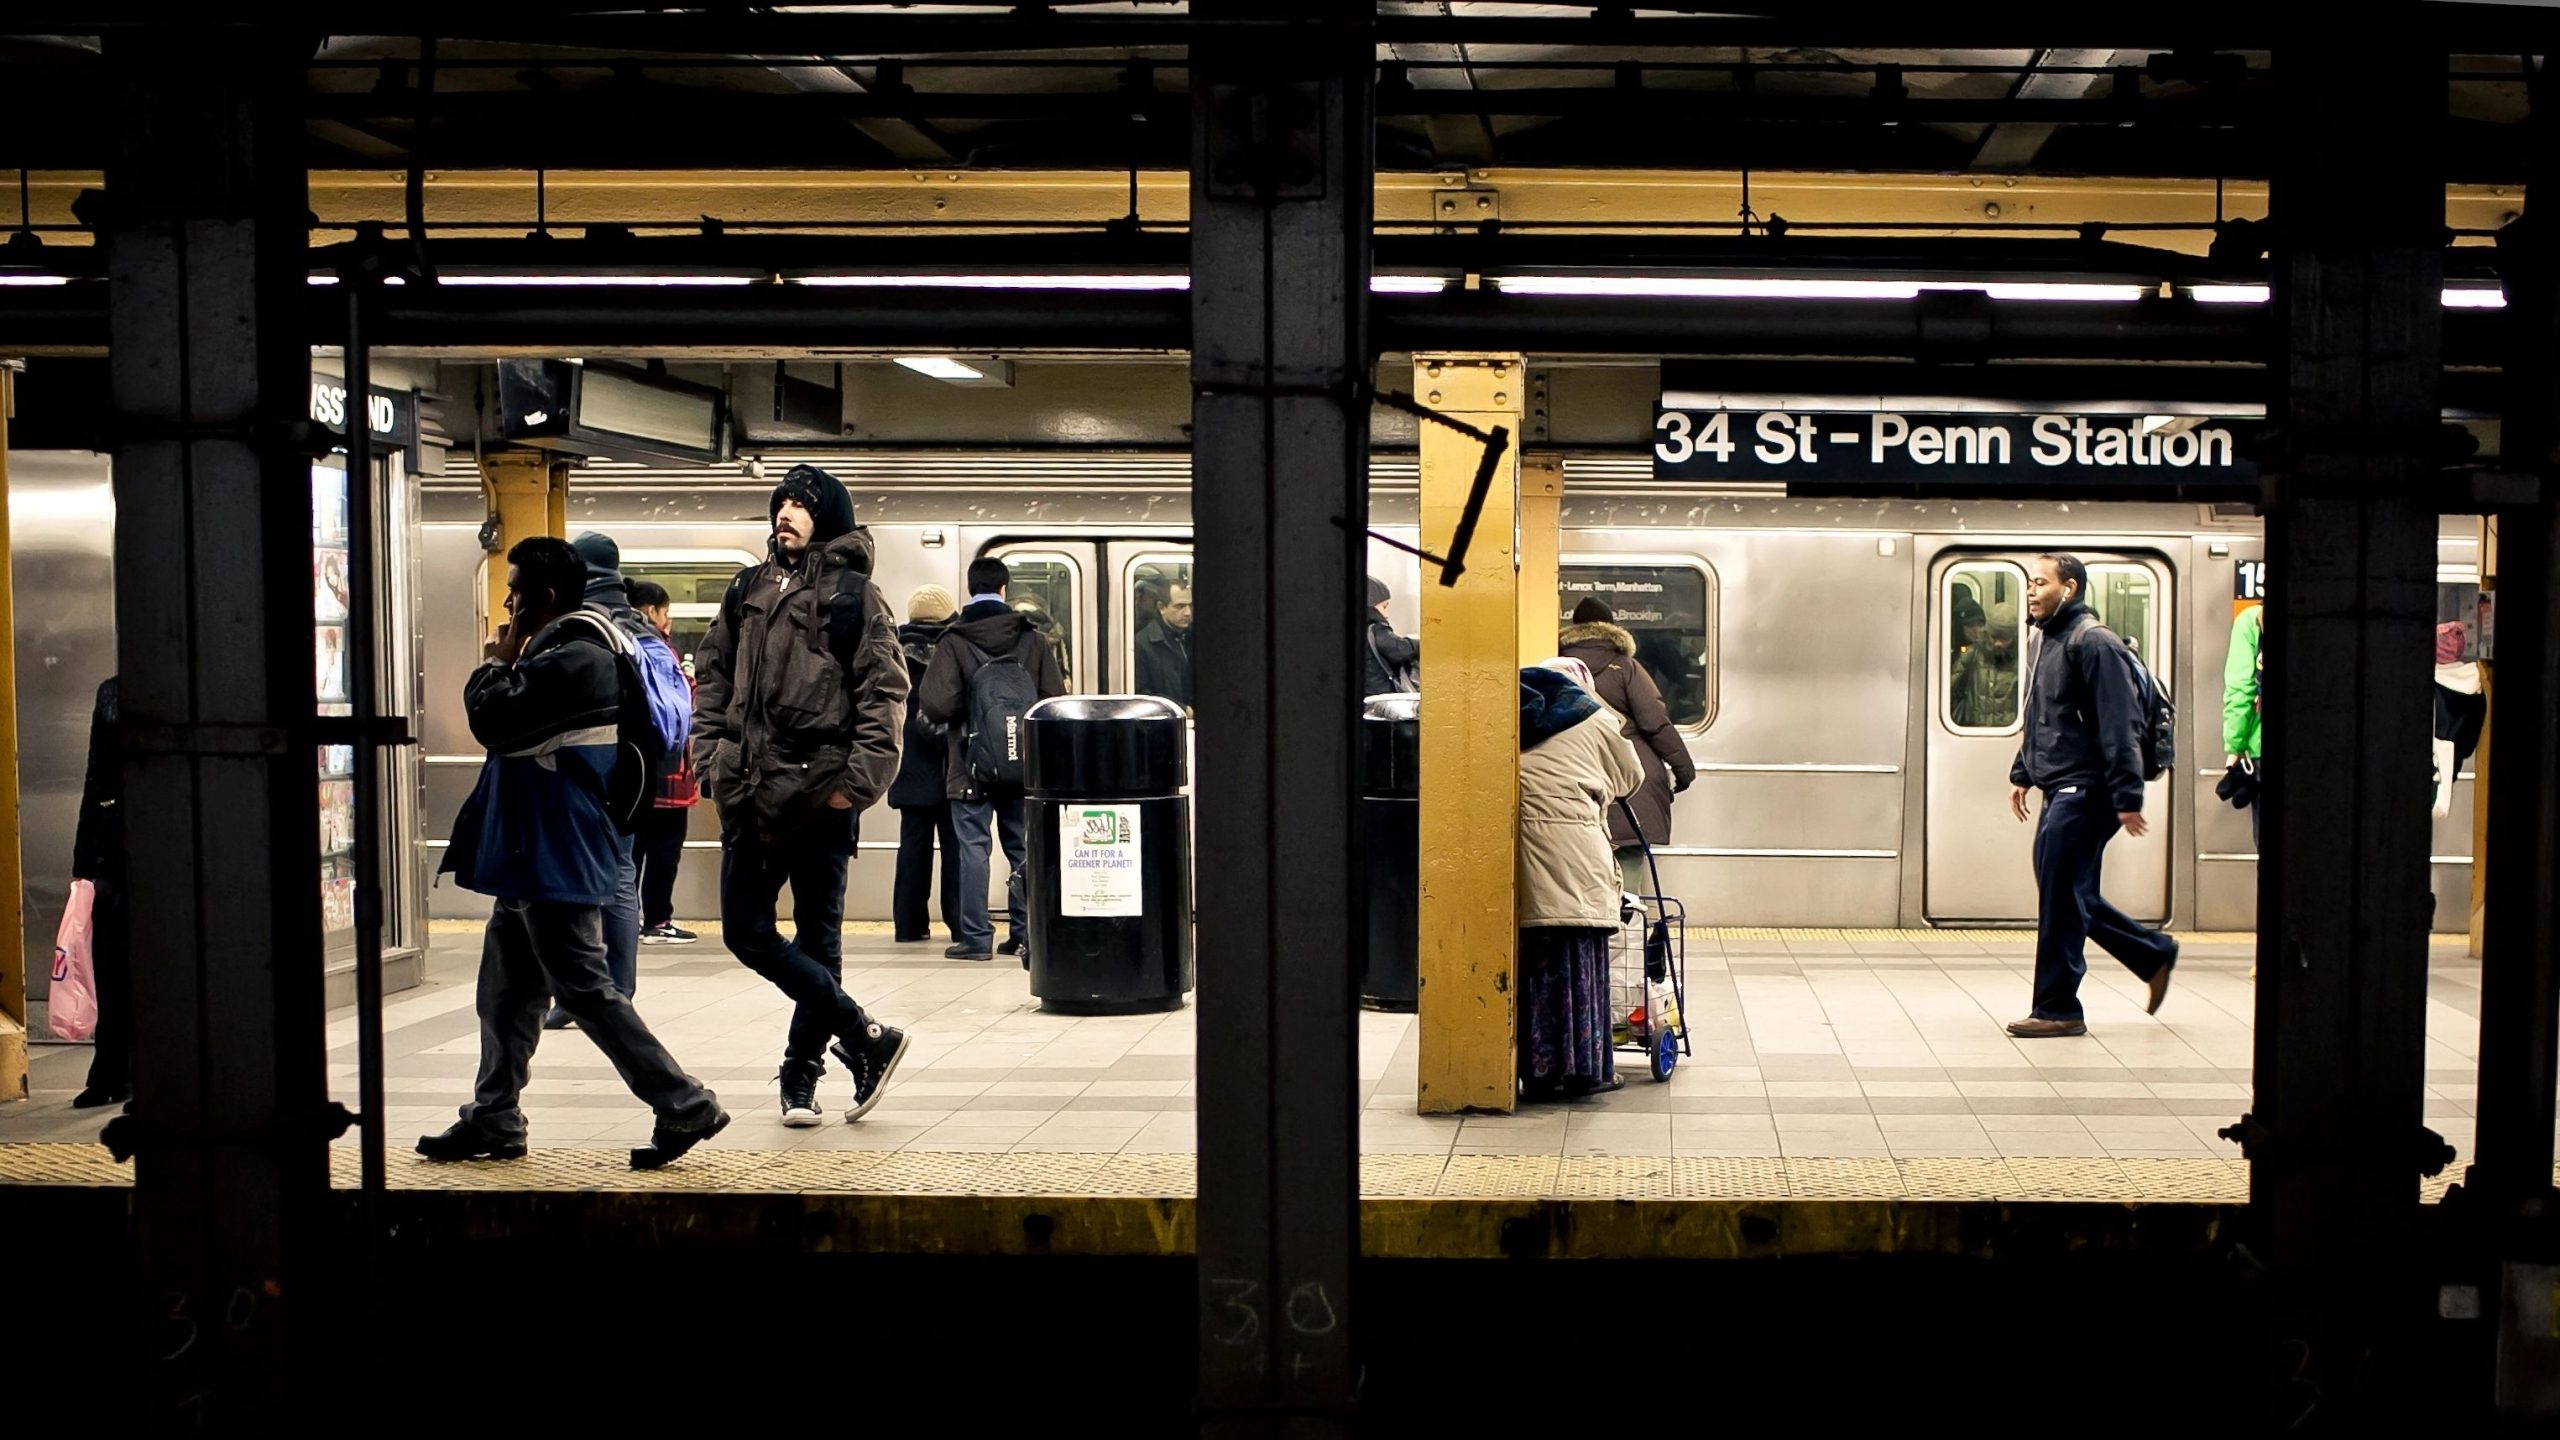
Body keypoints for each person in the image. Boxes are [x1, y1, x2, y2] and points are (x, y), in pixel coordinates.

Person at [419, 537, 727, 1169]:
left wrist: (495, 662)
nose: (507, 602)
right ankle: (494, 1115)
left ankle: (683, 1102)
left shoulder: (579, 657)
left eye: (515, 590)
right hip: (530, 847)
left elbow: (494, 720)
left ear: (547, 596)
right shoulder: (568, 648)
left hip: (553, 846)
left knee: (585, 988)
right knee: (506, 992)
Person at [694, 463, 912, 1127]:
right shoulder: (747, 588)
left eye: (800, 504)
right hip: (750, 790)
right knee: (746, 932)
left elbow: (884, 692)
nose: (786, 512)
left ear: (829, 517)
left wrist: (855, 787)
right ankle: (868, 1035)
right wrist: (710, 760)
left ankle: (801, 1077)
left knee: (819, 939)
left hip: (820, 792)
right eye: (780, 503)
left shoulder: (856, 598)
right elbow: (712, 675)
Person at [2006, 552, 2179, 1039]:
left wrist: (2127, 796)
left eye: (2041, 583)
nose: (2032, 591)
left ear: (2071, 588)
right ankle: (2151, 953)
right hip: (2059, 784)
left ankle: (2059, 1007)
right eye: (2029, 584)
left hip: (2088, 788)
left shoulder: (2095, 644)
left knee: (2062, 895)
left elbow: (2119, 725)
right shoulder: (2049, 641)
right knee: (2066, 891)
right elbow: (2044, 715)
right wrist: (2023, 771)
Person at [919, 556, 1068, 961]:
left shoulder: (954, 640)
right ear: (1005, 589)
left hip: (969, 764)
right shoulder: (1032, 640)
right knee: (1022, 847)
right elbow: (1053, 701)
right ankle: (1023, 935)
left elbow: (934, 704)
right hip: (1024, 767)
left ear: (970, 589)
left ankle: (975, 938)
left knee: (973, 849)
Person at [538, 531, 652, 1027]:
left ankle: (581, 993)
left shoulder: (581, 623)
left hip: (585, 764)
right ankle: (618, 987)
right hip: (636, 767)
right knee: (623, 873)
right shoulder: (639, 623)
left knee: (581, 879)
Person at [1516, 657, 1644, 1101]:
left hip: (1518, 855)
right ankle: (1584, 1070)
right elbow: (1631, 777)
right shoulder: (1591, 717)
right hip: (1577, 855)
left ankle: (1538, 1068)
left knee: (1534, 967)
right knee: (1580, 962)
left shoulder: (1506, 714)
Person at [1557, 597, 1693, 893]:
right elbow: (1655, 721)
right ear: (1611, 628)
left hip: (1576, 771)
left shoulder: (1555, 667)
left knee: (1582, 860)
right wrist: (1684, 769)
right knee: (1629, 855)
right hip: (1629, 777)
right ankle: (1627, 927)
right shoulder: (1625, 666)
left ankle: (1594, 932)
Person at [889, 584, 963, 945]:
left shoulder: (893, 649)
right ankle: (960, 924)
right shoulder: (956, 648)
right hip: (950, 760)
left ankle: (908, 924)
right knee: (956, 848)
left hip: (909, 761)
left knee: (912, 849)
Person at [628, 578, 700, 946]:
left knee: (633, 852)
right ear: (652, 611)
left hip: (635, 772)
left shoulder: (623, 642)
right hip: (667, 773)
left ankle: (627, 921)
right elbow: (678, 704)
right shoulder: (655, 648)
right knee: (663, 852)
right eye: (666, 613)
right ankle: (657, 920)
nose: (668, 621)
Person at [69, 674, 129, 1110]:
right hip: (113, 851)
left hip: (162, 852)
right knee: (110, 967)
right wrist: (83, 862)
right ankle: (109, 1072)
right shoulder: (110, 692)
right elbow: (96, 775)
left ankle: (135, 1074)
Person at [1953, 607, 2022, 729]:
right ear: (1987, 632)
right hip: (1972, 731)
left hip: (2008, 732)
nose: (1998, 643)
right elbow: (1951, 687)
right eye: (1994, 637)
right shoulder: (1971, 655)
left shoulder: (2022, 660)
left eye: (2005, 639)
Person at [1135, 580, 1195, 709]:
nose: (1188, 613)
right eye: (1180, 606)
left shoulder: (1192, 637)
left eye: (1190, 605)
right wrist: (1182, 709)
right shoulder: (1142, 644)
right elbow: (1142, 695)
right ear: (1161, 607)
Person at [1361, 575, 1420, 696]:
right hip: (1379, 695)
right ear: (1371, 606)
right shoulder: (1375, 629)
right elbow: (1401, 649)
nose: (1386, 614)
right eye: (1384, 607)